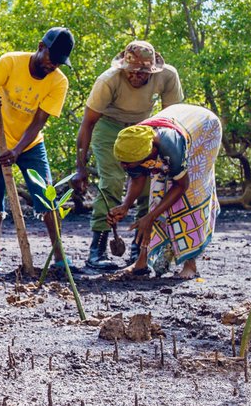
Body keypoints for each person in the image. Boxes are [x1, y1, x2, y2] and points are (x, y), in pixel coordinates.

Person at [72, 41, 184, 270]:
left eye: (143, 73)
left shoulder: (168, 76)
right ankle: (99, 248)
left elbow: (173, 117)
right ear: (123, 66)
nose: (136, 77)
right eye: (131, 72)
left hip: (145, 126)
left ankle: (139, 248)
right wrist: (80, 167)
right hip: (109, 127)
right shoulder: (109, 80)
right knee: (112, 181)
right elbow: (88, 123)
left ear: (152, 70)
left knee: (148, 186)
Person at [0, 27, 74, 273]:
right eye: (52, 59)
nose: (54, 66)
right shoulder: (10, 62)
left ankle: (59, 256)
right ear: (41, 47)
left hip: (30, 144)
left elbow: (39, 121)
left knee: (46, 195)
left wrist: (17, 150)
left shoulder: (59, 81)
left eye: (60, 63)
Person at [107, 103, 221, 279]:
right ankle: (142, 262)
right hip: (177, 124)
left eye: (127, 164)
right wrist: (125, 205)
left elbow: (182, 186)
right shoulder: (131, 143)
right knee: (157, 193)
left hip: (204, 130)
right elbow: (137, 178)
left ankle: (190, 264)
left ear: (149, 153)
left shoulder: (170, 145)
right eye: (122, 162)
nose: (124, 167)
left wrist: (150, 217)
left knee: (191, 195)